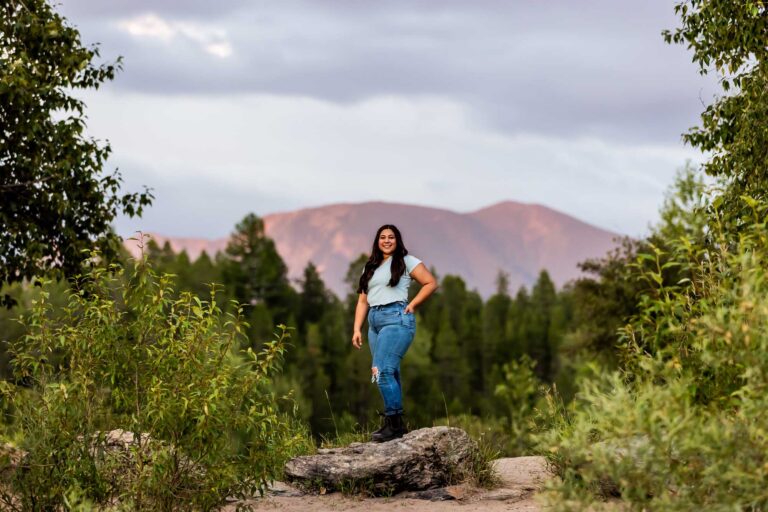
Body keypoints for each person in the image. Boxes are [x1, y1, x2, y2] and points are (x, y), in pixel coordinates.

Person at [351, 224, 437, 442]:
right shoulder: (370, 266)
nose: (387, 240)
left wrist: (414, 304)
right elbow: (362, 301)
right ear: (377, 241)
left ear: (397, 240)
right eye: (382, 237)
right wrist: (356, 329)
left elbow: (430, 283)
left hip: (396, 318)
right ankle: (394, 423)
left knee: (381, 371)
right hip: (374, 323)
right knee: (391, 372)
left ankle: (395, 425)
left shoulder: (407, 261)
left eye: (391, 237)